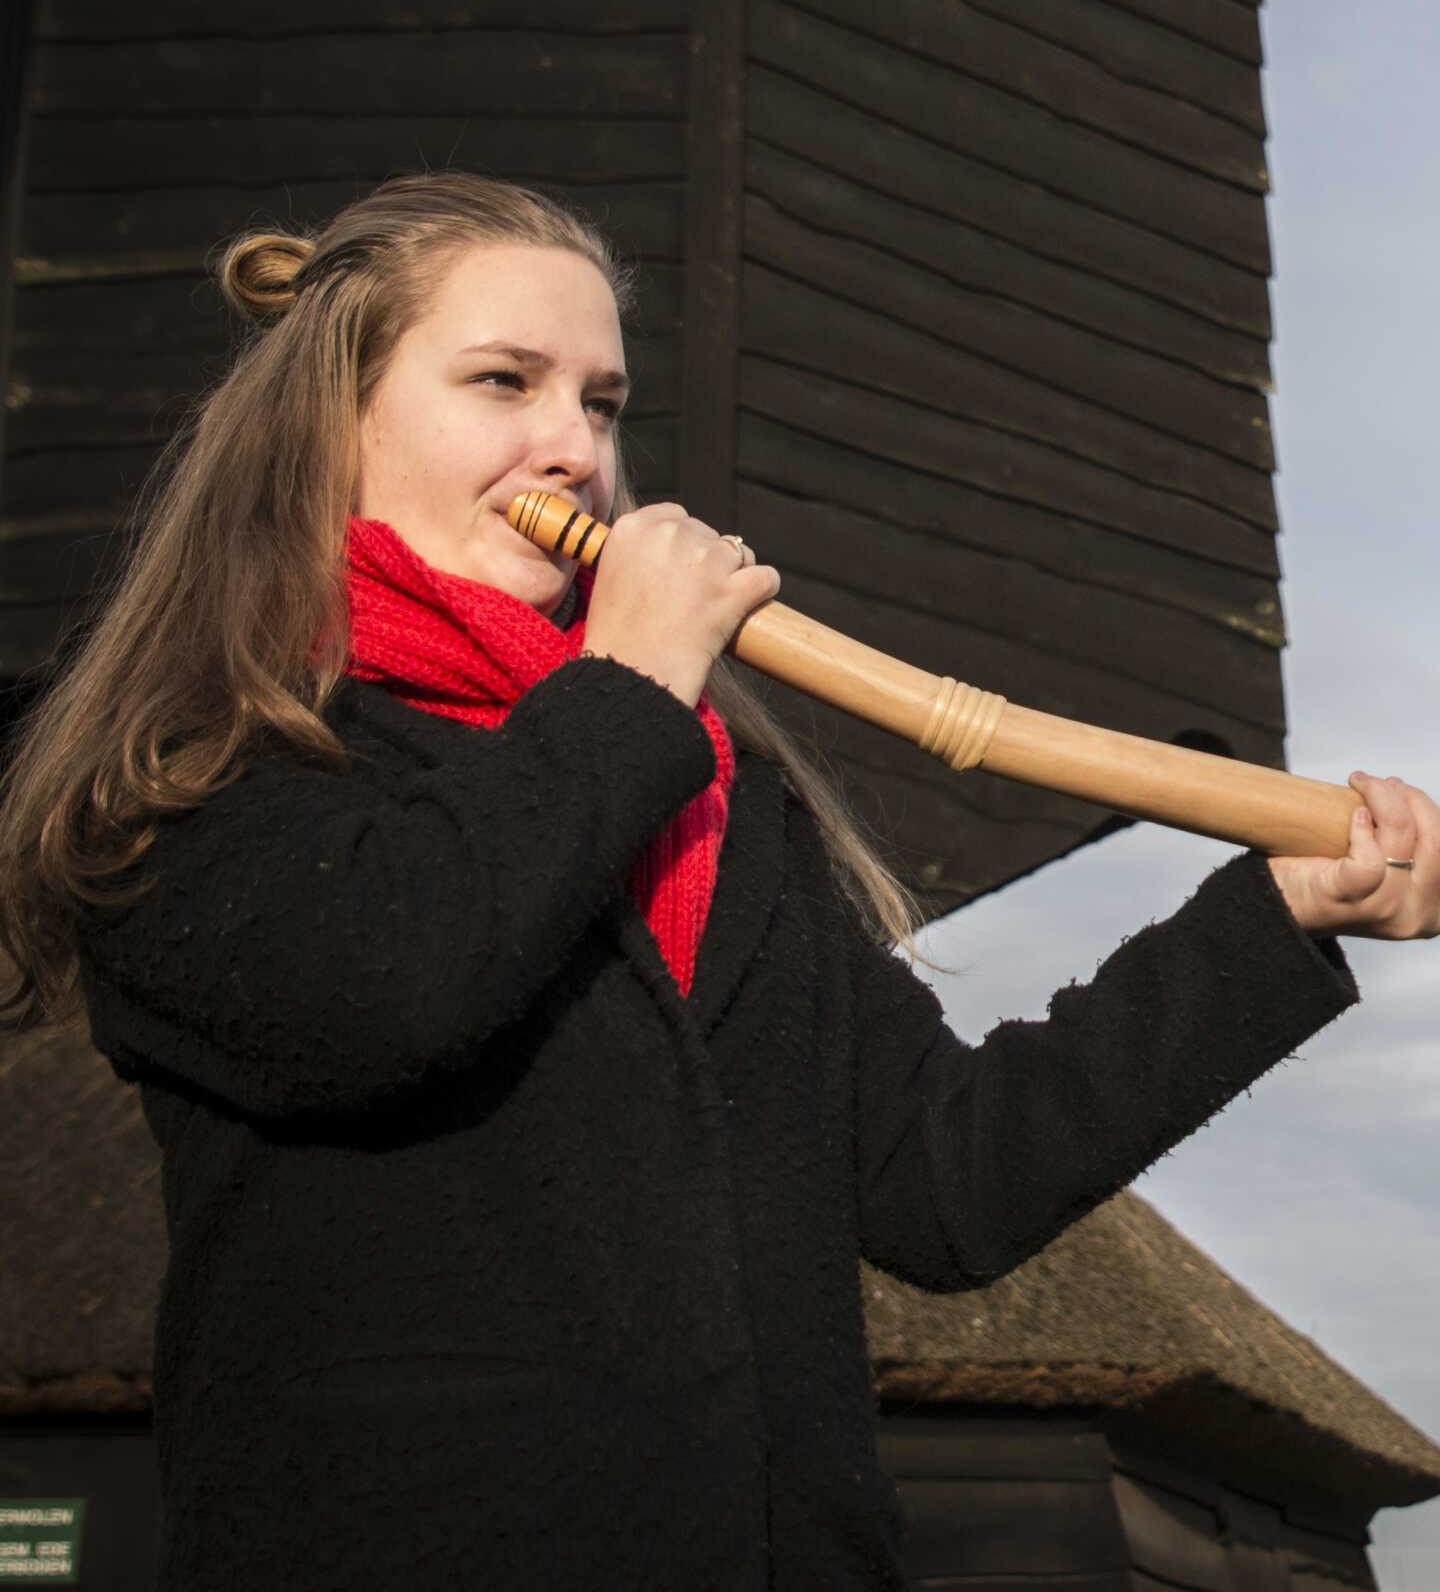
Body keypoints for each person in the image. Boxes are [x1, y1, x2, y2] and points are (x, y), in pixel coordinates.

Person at [1, 172, 1435, 1591]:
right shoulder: (193, 776)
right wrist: (629, 682)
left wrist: (1274, 916)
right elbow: (390, 985)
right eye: (506, 381)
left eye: (603, 403)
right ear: (330, 422)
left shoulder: (710, 797)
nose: (574, 448)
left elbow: (945, 1185)